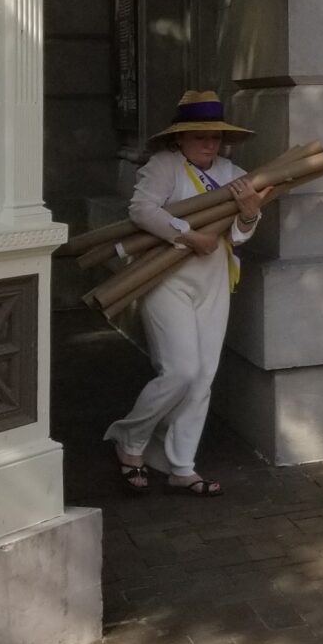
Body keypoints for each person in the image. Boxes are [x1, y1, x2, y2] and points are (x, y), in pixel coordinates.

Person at [103, 91, 267, 497]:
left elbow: (241, 232)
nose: (209, 144)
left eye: (214, 137)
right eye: (199, 137)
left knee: (203, 378)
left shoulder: (234, 173)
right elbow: (142, 211)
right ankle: (132, 440)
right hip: (165, 276)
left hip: (214, 276)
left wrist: (248, 213)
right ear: (180, 138)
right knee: (180, 370)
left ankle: (180, 464)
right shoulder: (163, 166)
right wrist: (189, 235)